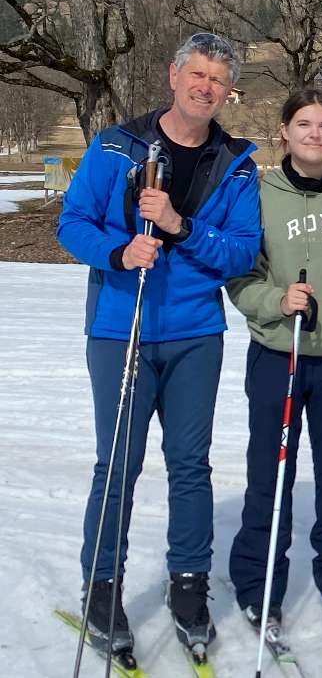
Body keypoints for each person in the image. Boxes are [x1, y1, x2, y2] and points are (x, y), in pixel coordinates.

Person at [57, 32, 261, 658]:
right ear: (174, 76)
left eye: (217, 79)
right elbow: (72, 224)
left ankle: (189, 584)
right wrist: (119, 251)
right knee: (117, 461)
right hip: (125, 327)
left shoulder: (237, 163)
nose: (205, 87)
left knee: (190, 465)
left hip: (195, 332)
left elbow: (241, 250)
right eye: (195, 74)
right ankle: (102, 584)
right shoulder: (118, 147)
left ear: (228, 91)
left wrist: (181, 227)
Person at [225, 88, 322, 638]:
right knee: (272, 472)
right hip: (277, 354)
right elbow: (239, 277)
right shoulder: (260, 192)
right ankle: (259, 585)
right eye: (304, 124)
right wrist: (277, 300)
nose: (315, 134)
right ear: (284, 130)